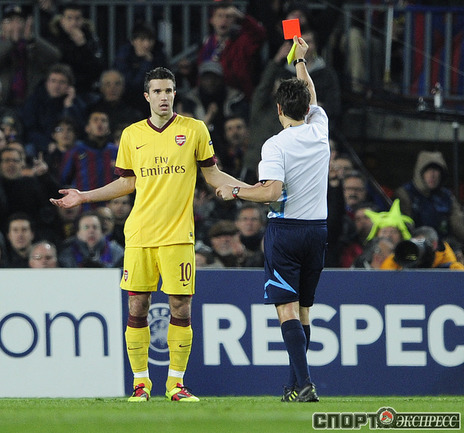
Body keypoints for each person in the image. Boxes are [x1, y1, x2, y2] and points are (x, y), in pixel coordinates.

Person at [50, 67, 248, 402]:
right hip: (140, 234)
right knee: (138, 304)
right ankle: (141, 384)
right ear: (147, 96)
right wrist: (83, 196)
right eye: (157, 91)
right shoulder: (132, 134)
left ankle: (176, 384)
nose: (163, 97)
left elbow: (213, 174)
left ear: (175, 94)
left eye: (169, 91)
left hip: (178, 235)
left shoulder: (194, 130)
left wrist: (252, 191)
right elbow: (126, 182)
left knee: (180, 307)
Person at [216, 36, 329, 402]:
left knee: (286, 308)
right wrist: (301, 61)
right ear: (308, 107)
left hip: (286, 230)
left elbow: (270, 192)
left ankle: (305, 384)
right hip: (318, 230)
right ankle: (296, 385)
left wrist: (235, 190)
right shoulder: (320, 128)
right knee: (304, 310)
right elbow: (310, 94)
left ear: (278, 109)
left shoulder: (276, 145)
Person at [197, 3, 266, 100]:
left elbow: (260, 35)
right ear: (212, 20)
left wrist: (243, 18)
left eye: (228, 17)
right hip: (208, 99)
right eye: (220, 16)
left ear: (234, 20)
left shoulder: (241, 42)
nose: (224, 20)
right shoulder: (206, 44)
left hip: (237, 98)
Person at [394, 150, 464, 243]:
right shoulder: (405, 194)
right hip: (415, 244)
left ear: (442, 173)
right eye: (428, 170)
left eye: (436, 170)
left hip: (443, 245)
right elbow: (403, 227)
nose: (432, 175)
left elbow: (458, 223)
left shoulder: (447, 196)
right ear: (420, 173)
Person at [0, 4, 61, 108]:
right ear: (2, 25)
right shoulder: (2, 44)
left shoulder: (32, 44)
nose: (15, 25)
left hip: (30, 102)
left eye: (20, 21)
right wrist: (12, 42)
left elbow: (55, 56)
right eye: (10, 21)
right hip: (4, 102)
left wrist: (32, 39)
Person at [21, 63, 87, 154]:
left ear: (69, 86)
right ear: (47, 83)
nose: (56, 86)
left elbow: (80, 130)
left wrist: (69, 107)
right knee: (28, 149)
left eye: (62, 82)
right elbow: (30, 130)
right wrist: (47, 144)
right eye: (53, 81)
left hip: (69, 143)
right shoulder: (35, 101)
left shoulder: (76, 103)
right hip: (43, 143)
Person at [60, 110, 118, 207]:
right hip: (83, 208)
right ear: (87, 128)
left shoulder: (116, 151)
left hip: (111, 208)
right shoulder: (75, 151)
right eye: (95, 120)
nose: (99, 124)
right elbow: (64, 179)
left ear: (108, 128)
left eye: (103, 121)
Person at [46, 2, 103, 95]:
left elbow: (96, 69)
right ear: (62, 20)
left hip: (84, 88)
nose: (74, 23)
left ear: (83, 20)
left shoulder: (90, 38)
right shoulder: (54, 39)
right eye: (69, 18)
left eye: (77, 18)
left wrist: (82, 45)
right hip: (58, 88)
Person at [113, 23, 167, 113]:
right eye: (142, 40)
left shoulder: (158, 56)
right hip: (126, 102)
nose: (147, 44)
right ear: (133, 41)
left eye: (150, 40)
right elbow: (130, 84)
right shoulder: (123, 56)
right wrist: (146, 63)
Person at [381, 226, 464, 270]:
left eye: (420, 242)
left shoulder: (451, 268)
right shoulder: (403, 261)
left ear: (434, 245)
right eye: (415, 243)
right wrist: (397, 259)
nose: (417, 248)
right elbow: (384, 280)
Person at [58, 211, 124, 268]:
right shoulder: (67, 254)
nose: (91, 231)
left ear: (102, 231)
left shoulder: (116, 252)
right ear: (78, 232)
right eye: (86, 227)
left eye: (95, 227)